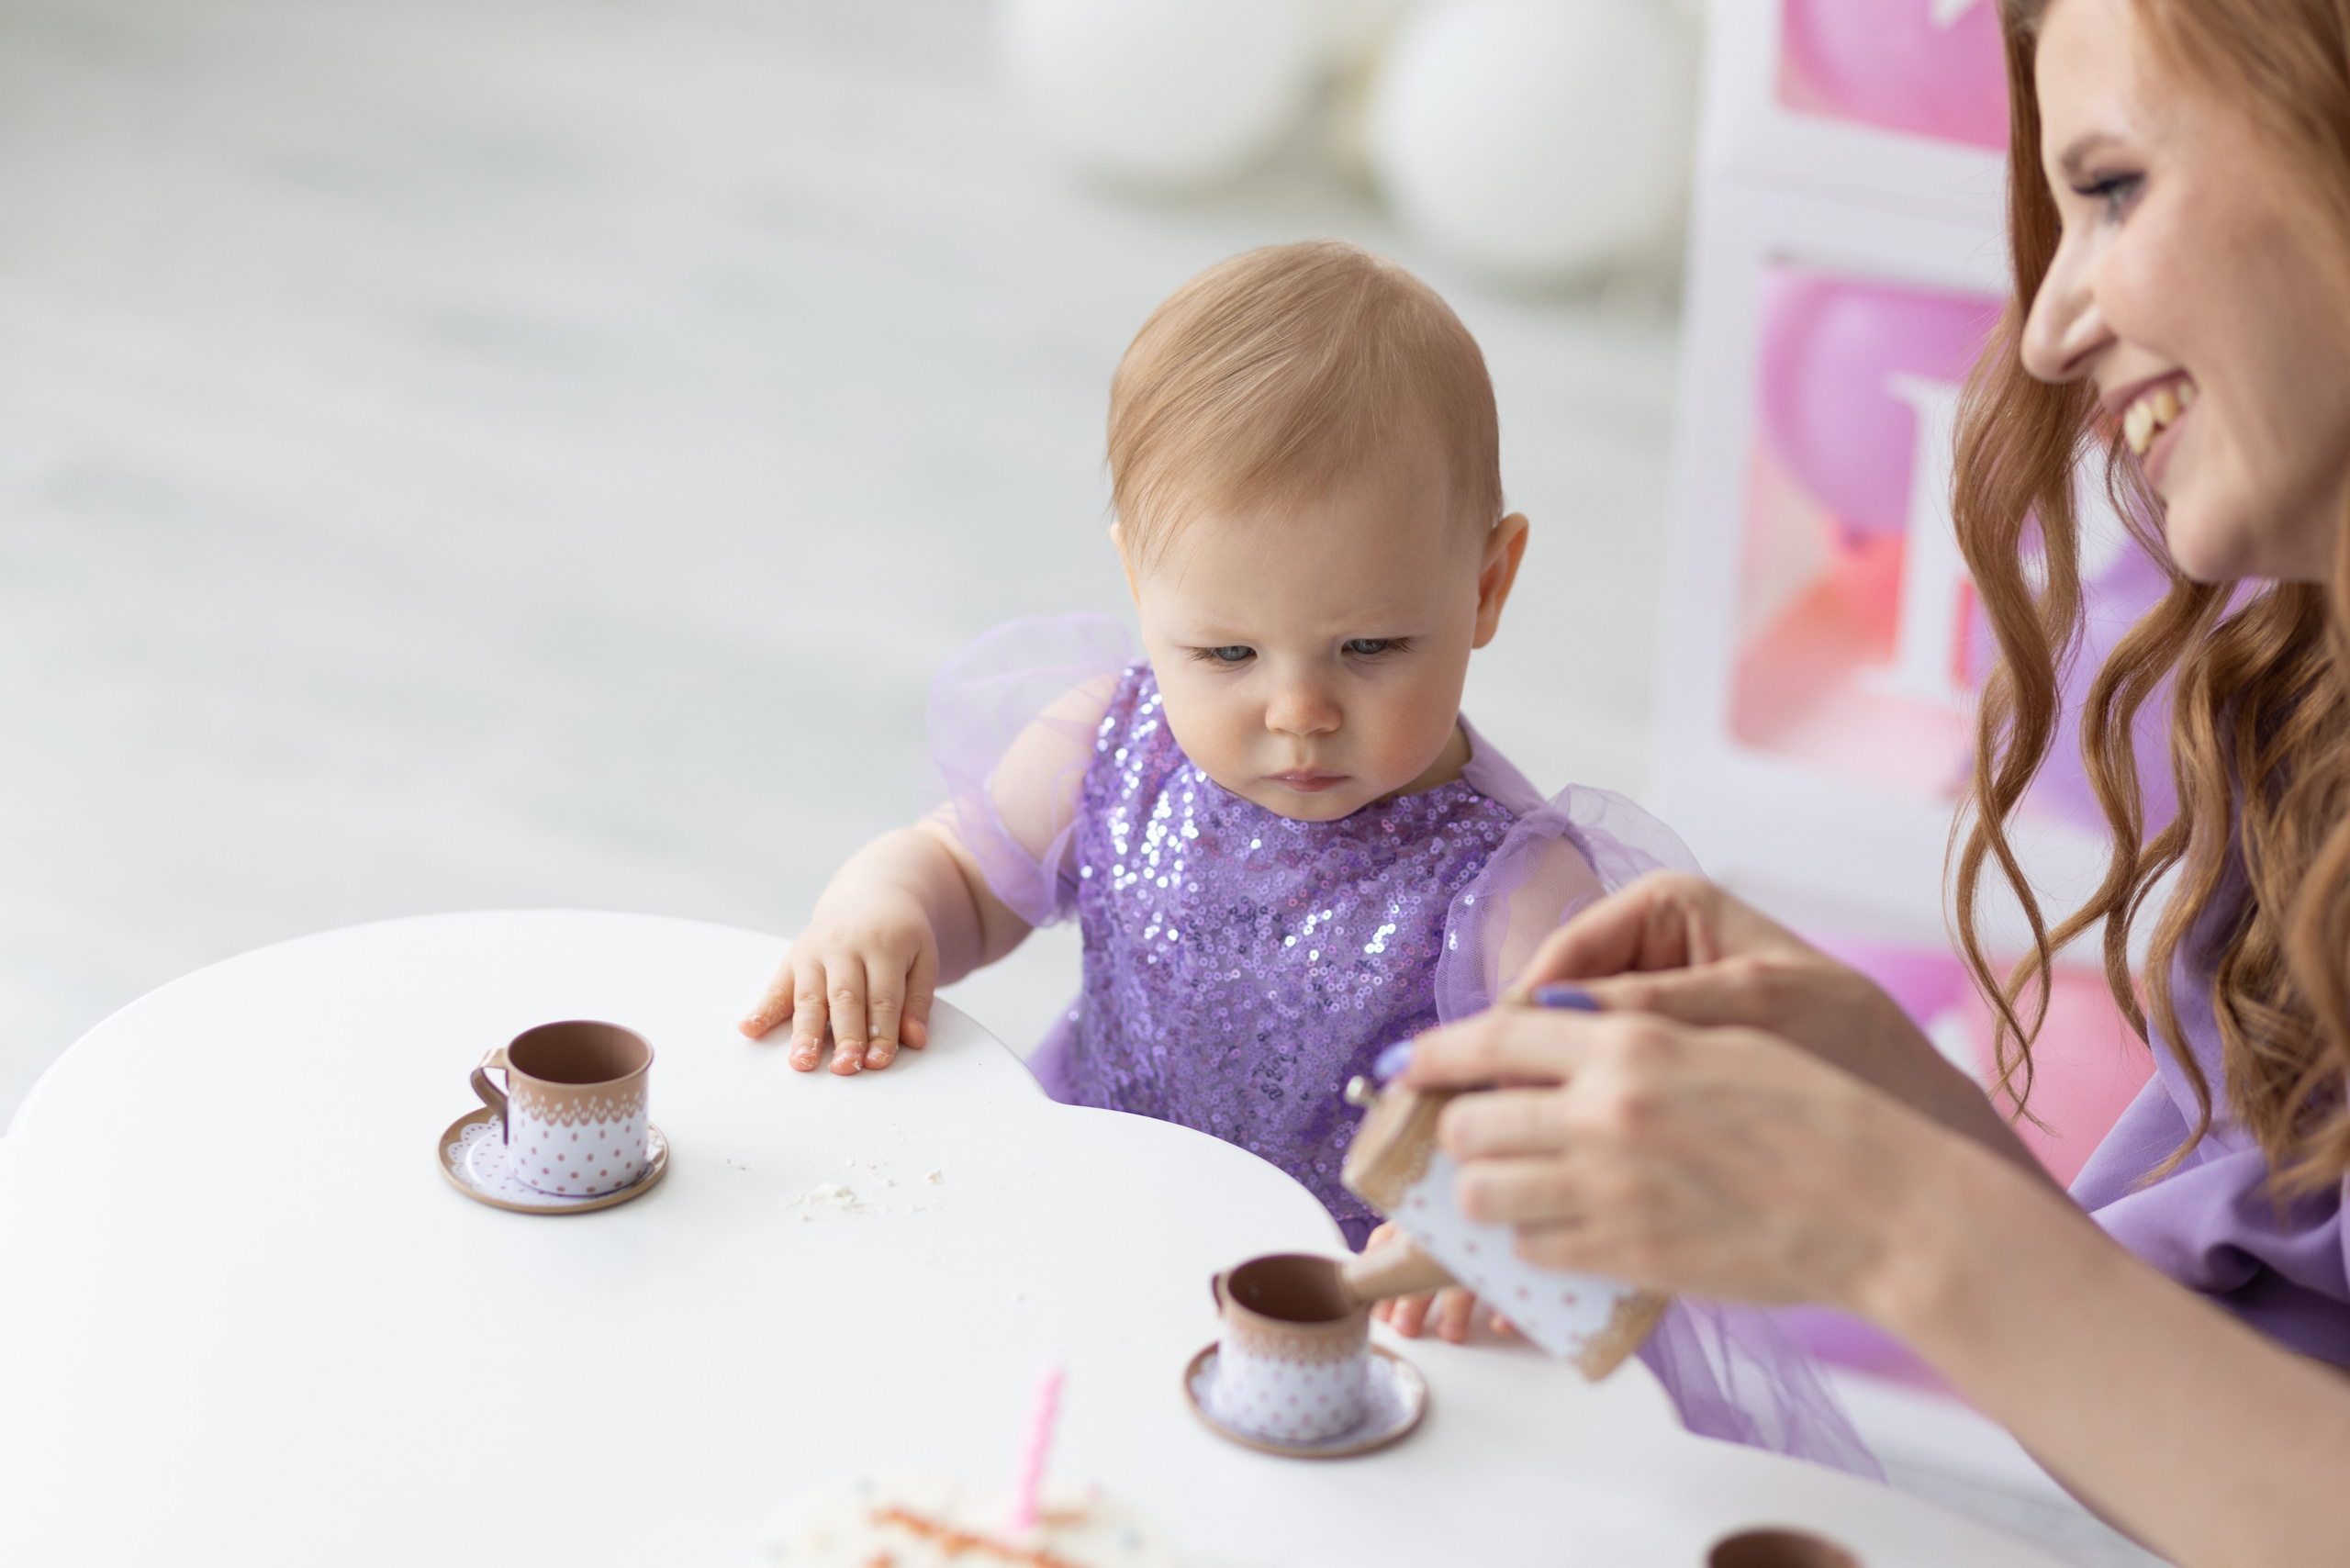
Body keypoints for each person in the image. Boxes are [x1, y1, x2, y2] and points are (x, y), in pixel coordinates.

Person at [1393, 0, 2350, 1562]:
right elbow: (2226, 1445)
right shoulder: (2299, 717)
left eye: (2110, 189)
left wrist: (1899, 1219)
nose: (2044, 330)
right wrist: (1896, 1121)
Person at [739, 241, 1866, 1469]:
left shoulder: (1513, 887)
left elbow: (1600, 1122)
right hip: (1102, 1234)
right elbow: (961, 874)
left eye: (1371, 648)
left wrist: (1495, 1239)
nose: (1298, 712)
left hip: (1352, 1355)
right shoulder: (1103, 745)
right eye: (1225, 654)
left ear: (1488, 584)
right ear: (1136, 577)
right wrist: (885, 903)